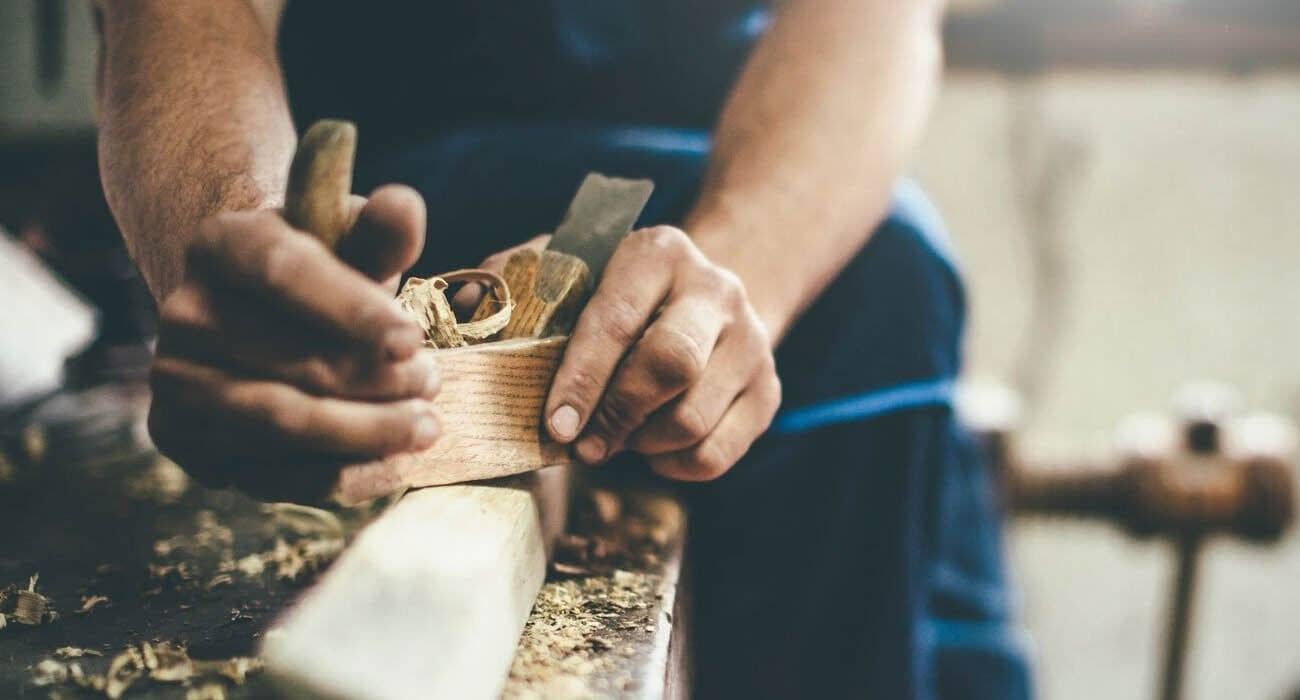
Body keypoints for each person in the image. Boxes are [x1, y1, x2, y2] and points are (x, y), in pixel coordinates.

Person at [94, 1, 1032, 696]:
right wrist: (237, 245)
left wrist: (728, 284)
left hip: (734, 175)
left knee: (892, 289)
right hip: (409, 183)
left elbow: (872, 22)